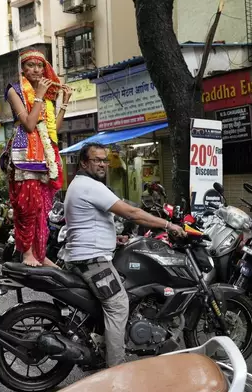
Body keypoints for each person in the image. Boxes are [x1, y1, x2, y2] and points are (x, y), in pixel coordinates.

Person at [63, 142, 186, 368]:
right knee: (118, 305)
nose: (102, 164)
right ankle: (117, 370)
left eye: (104, 160)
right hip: (92, 262)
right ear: (83, 162)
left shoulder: (80, 184)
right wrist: (169, 225)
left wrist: (114, 239)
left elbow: (89, 222)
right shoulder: (90, 186)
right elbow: (132, 213)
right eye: (96, 160)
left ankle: (100, 349)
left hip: (85, 256)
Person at [3, 47, 73, 268]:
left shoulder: (47, 98)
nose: (35, 70)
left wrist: (63, 102)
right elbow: (30, 124)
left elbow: (54, 130)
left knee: (43, 208)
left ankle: (40, 254)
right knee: (27, 205)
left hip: (44, 153)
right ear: (22, 69)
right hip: (25, 154)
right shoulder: (15, 90)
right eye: (30, 65)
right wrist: (40, 97)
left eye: (39, 65)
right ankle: (27, 253)